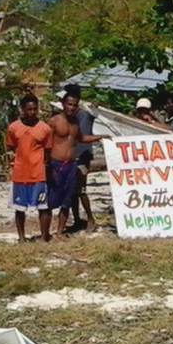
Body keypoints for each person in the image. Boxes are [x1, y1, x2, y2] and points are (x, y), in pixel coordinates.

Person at [49, 92, 107, 237]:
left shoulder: (75, 123)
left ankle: (60, 232)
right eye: (69, 104)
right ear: (63, 103)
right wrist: (47, 164)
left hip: (71, 164)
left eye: (75, 105)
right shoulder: (54, 121)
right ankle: (46, 233)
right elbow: (45, 142)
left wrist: (101, 137)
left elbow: (81, 138)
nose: (72, 107)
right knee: (51, 199)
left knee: (68, 198)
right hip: (56, 164)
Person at [6, 94, 53, 243]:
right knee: (19, 208)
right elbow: (10, 147)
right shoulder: (13, 127)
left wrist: (48, 170)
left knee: (43, 207)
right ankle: (21, 237)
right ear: (22, 109)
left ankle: (44, 237)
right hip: (20, 174)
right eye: (29, 109)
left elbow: (48, 151)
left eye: (35, 109)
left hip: (38, 174)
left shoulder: (45, 128)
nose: (32, 112)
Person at [63, 84, 100, 231]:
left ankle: (90, 220)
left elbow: (95, 113)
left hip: (82, 156)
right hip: (70, 156)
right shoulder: (67, 116)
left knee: (81, 190)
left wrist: (94, 107)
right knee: (72, 191)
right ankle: (77, 220)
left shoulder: (86, 113)